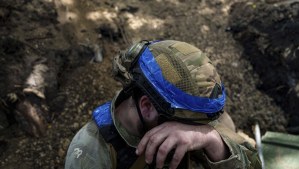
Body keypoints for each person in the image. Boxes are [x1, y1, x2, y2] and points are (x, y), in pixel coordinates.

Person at [65, 40, 261, 169]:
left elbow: (253, 164)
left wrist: (212, 140)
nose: (190, 130)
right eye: (186, 125)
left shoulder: (190, 115)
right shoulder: (91, 153)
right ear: (147, 107)